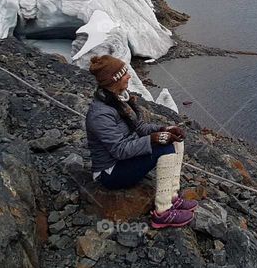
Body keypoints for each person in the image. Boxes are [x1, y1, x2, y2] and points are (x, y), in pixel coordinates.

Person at [85, 55, 198, 228]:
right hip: (109, 173)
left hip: (123, 162)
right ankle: (163, 212)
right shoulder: (100, 114)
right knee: (164, 149)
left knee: (175, 141)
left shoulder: (118, 100)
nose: (129, 76)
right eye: (124, 74)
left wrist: (164, 130)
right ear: (114, 80)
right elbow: (119, 150)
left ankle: (172, 197)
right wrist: (153, 140)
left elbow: (140, 127)